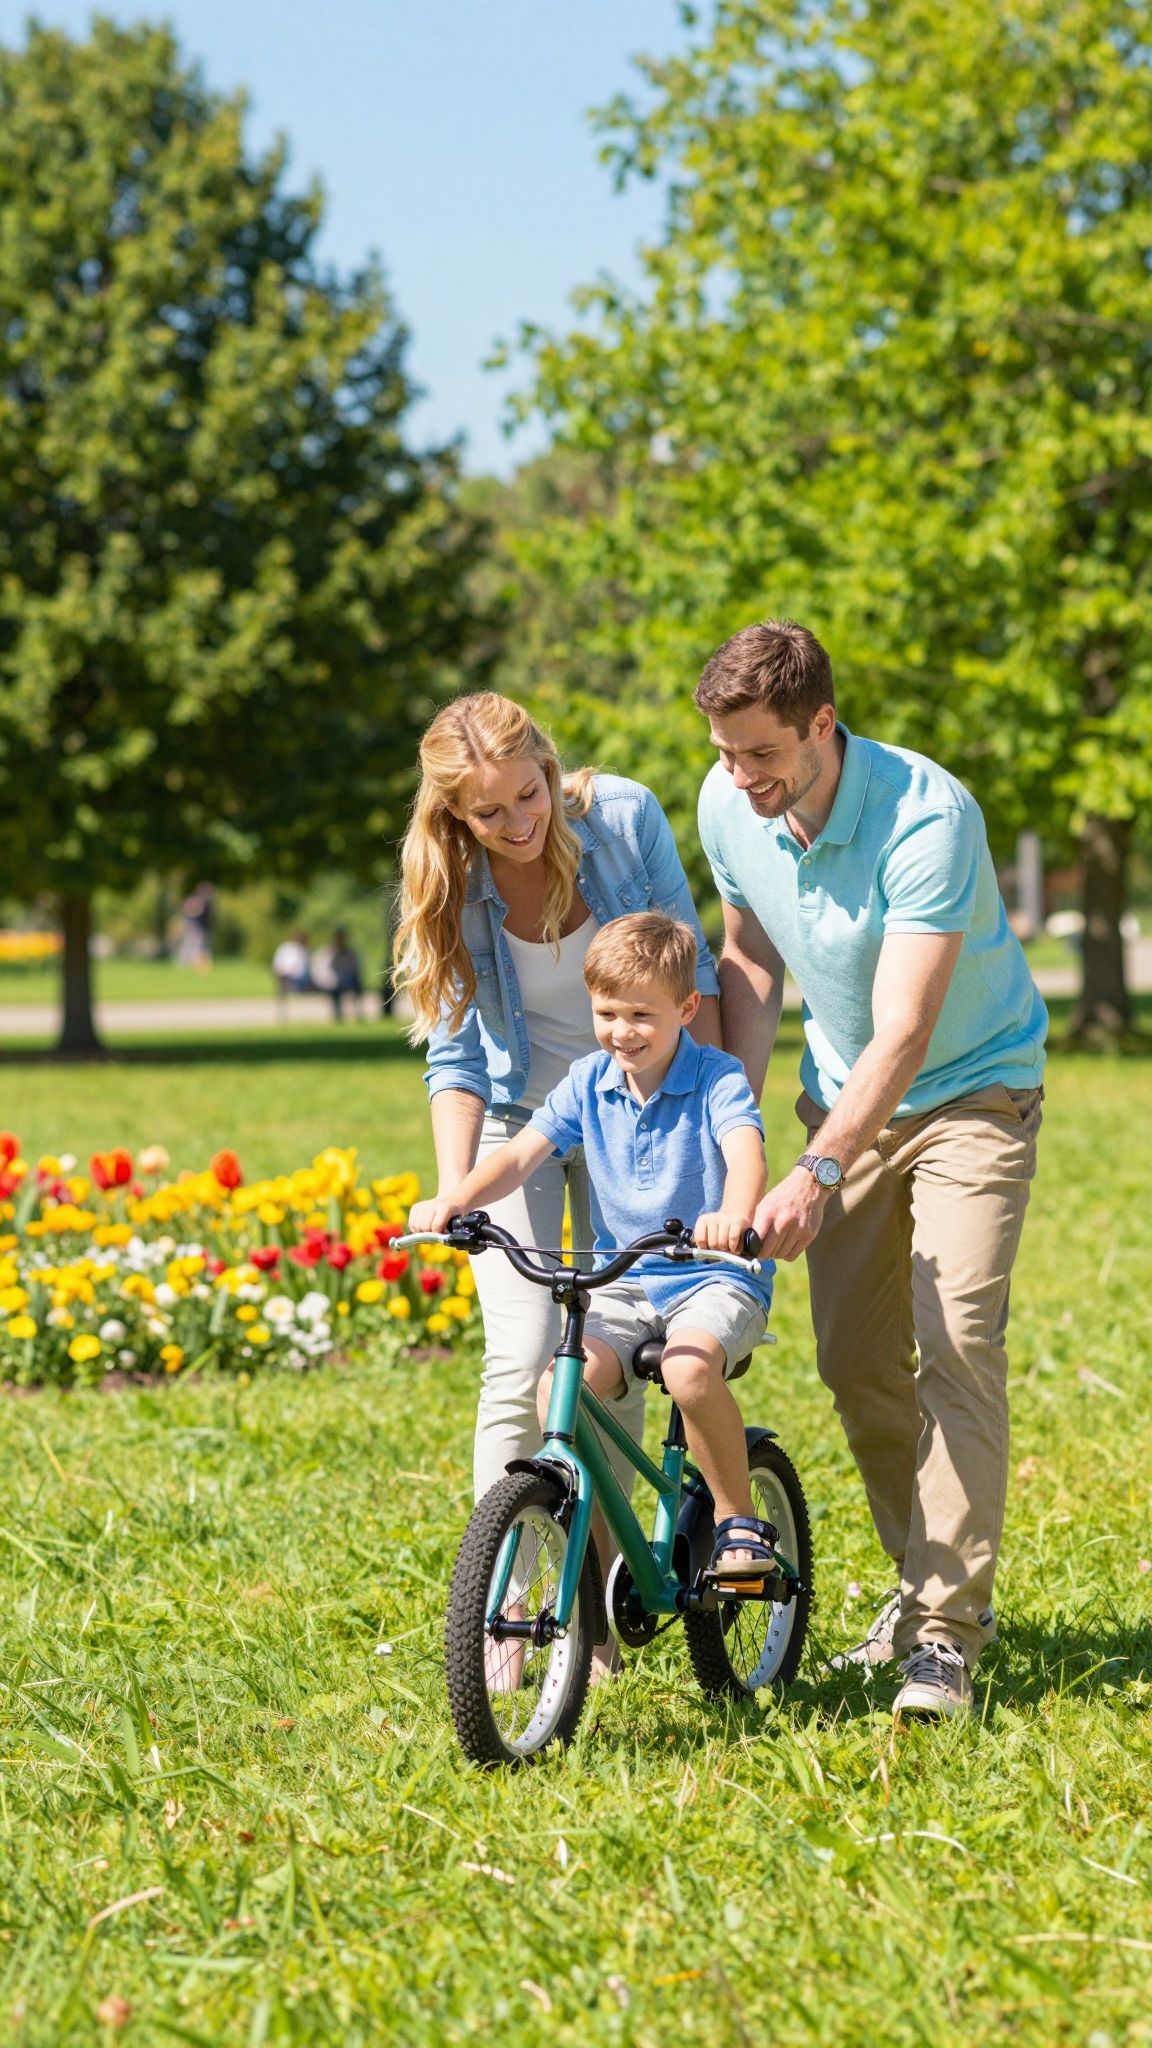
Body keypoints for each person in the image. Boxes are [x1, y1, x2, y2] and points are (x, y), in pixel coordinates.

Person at [695, 620, 1048, 1720]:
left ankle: (943, 1632)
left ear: (821, 724)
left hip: (971, 1094)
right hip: (839, 1098)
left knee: (958, 1343)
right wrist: (732, 1128)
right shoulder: (727, 804)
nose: (741, 776)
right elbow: (749, 958)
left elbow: (904, 1030)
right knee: (855, 1363)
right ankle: (916, 1579)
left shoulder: (926, 816)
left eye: (762, 753)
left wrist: (814, 1168)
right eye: (723, 751)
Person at [395, 694, 722, 1672]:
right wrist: (454, 1188)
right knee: (525, 1352)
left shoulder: (621, 820)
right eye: (489, 812)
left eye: (528, 794)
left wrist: (703, 1143)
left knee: (612, 1351)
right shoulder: (448, 876)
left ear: (549, 766)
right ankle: (508, 1610)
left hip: (639, 1112)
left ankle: (600, 1598)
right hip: (520, 1121)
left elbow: (689, 976)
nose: (518, 822)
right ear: (456, 814)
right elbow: (454, 1053)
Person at [413, 911, 776, 1588]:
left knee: (689, 1371)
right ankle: (612, 1574)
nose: (621, 1031)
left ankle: (736, 1520)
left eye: (642, 1014)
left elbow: (744, 1151)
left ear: (686, 1008)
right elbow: (522, 1155)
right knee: (560, 1386)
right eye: (607, 1013)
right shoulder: (587, 1081)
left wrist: (733, 1212)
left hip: (714, 1275)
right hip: (626, 1281)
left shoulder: (717, 1077)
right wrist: (459, 1198)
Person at [311, 928, 364, 1022]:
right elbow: (319, 972)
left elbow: (355, 970)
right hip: (330, 983)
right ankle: (337, 1014)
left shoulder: (350, 953)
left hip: (347, 981)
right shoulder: (325, 953)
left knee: (357, 985)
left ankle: (358, 1013)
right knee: (335, 989)